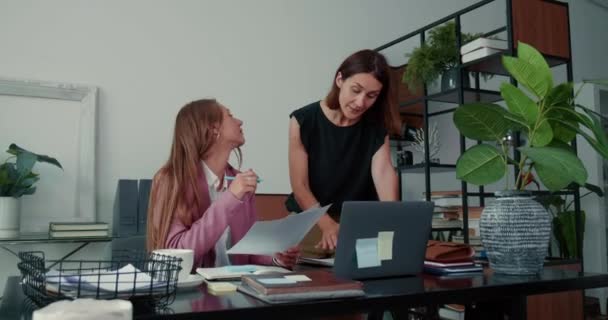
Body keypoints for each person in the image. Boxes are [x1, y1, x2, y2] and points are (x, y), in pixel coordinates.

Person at [147, 99, 299, 270]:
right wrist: (230, 198)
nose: (240, 121)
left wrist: (276, 257)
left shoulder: (238, 180)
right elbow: (176, 253)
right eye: (230, 116)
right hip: (195, 292)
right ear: (213, 129)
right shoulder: (171, 180)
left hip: (236, 290)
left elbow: (249, 248)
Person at [287, 49, 400, 257]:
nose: (360, 103)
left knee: (374, 268)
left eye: (371, 96)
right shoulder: (303, 120)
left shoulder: (376, 128)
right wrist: (328, 225)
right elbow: (300, 187)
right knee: (314, 275)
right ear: (340, 79)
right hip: (312, 217)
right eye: (355, 90)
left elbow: (384, 174)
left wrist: (390, 224)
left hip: (358, 220)